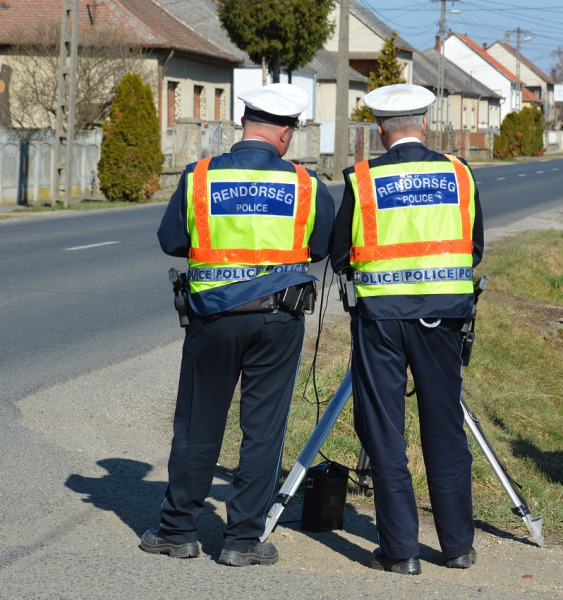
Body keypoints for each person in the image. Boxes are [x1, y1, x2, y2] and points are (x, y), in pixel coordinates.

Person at [141, 83, 334, 567]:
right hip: (278, 318)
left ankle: (178, 531)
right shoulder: (307, 185)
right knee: (263, 429)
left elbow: (171, 240)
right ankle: (243, 541)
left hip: (213, 318)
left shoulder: (199, 177)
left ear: (243, 123)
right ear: (286, 133)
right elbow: (320, 248)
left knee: (198, 424)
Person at [330, 83, 484, 575]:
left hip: (381, 320)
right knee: (444, 427)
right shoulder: (459, 173)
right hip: (444, 319)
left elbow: (338, 255)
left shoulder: (362, 179)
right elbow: (473, 246)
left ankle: (401, 552)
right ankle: (458, 546)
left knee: (385, 430)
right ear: (424, 123)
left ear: (379, 130)